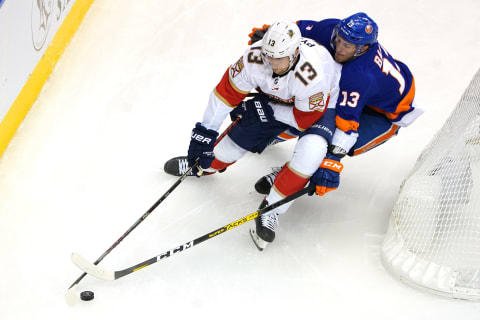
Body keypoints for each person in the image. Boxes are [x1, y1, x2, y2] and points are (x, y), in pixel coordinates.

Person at [163, 21, 342, 250]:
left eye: (279, 58)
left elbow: (302, 120)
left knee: (310, 155)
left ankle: (272, 209)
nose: (272, 63)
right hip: (280, 100)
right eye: (269, 56)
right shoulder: (254, 57)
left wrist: (265, 109)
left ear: (295, 53)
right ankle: (204, 166)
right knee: (229, 148)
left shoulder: (312, 76)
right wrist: (204, 133)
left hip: (320, 108)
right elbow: (225, 94)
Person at [250, 12, 424, 196]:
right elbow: (297, 30)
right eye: (338, 40)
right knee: (311, 109)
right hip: (365, 91)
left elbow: (346, 126)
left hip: (386, 115)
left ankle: (291, 173)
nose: (339, 48)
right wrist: (270, 36)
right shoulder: (330, 29)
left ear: (362, 49)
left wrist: (332, 160)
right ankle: (277, 134)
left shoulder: (360, 76)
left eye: (347, 45)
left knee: (326, 138)